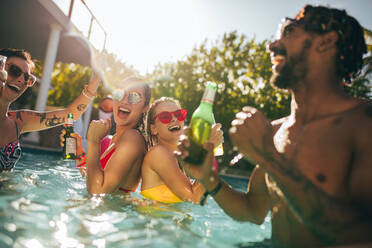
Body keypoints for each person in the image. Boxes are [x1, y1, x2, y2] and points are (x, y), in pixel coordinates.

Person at [177, 5, 372, 248]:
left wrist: (269, 158)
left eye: (289, 32)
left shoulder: (363, 123)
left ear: (326, 42)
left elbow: (360, 236)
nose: (273, 45)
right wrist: (209, 179)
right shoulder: (274, 131)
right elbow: (252, 211)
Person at [0, 48, 100, 172]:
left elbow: (70, 114)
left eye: (27, 78)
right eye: (14, 71)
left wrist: (97, 78)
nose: (21, 80)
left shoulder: (19, 121)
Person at [74, 76, 151, 194]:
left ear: (145, 108)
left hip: (111, 211)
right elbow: (93, 177)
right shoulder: (117, 138)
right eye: (119, 93)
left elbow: (97, 191)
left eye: (134, 97)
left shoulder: (132, 139)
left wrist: (94, 141)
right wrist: (79, 152)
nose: (124, 101)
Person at [140, 97, 223, 204]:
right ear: (153, 129)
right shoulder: (158, 153)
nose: (174, 119)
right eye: (165, 117)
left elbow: (200, 196)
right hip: (154, 219)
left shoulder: (179, 160)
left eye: (178, 114)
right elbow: (194, 198)